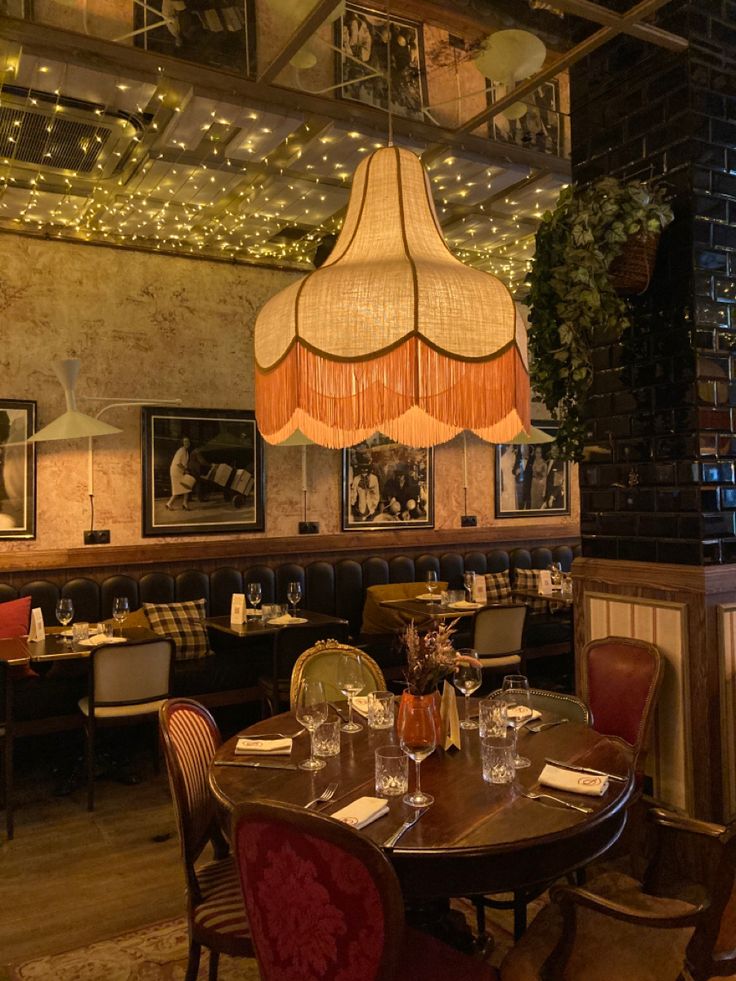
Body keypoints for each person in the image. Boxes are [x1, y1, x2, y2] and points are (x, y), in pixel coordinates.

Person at [350, 451, 380, 521]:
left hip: (371, 506)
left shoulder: (374, 478)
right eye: (362, 468)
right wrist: (353, 502)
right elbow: (353, 492)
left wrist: (374, 507)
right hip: (360, 506)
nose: (364, 470)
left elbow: (376, 494)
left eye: (366, 468)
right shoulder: (356, 479)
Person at [166, 436, 192, 511]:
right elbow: (178, 463)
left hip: (178, 471)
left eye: (188, 441)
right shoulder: (181, 451)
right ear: (182, 443)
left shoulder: (185, 451)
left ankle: (182, 504)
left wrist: (185, 469)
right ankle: (171, 504)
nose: (187, 443)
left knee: (184, 487)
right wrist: (185, 470)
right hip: (176, 471)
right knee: (183, 487)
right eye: (185, 441)